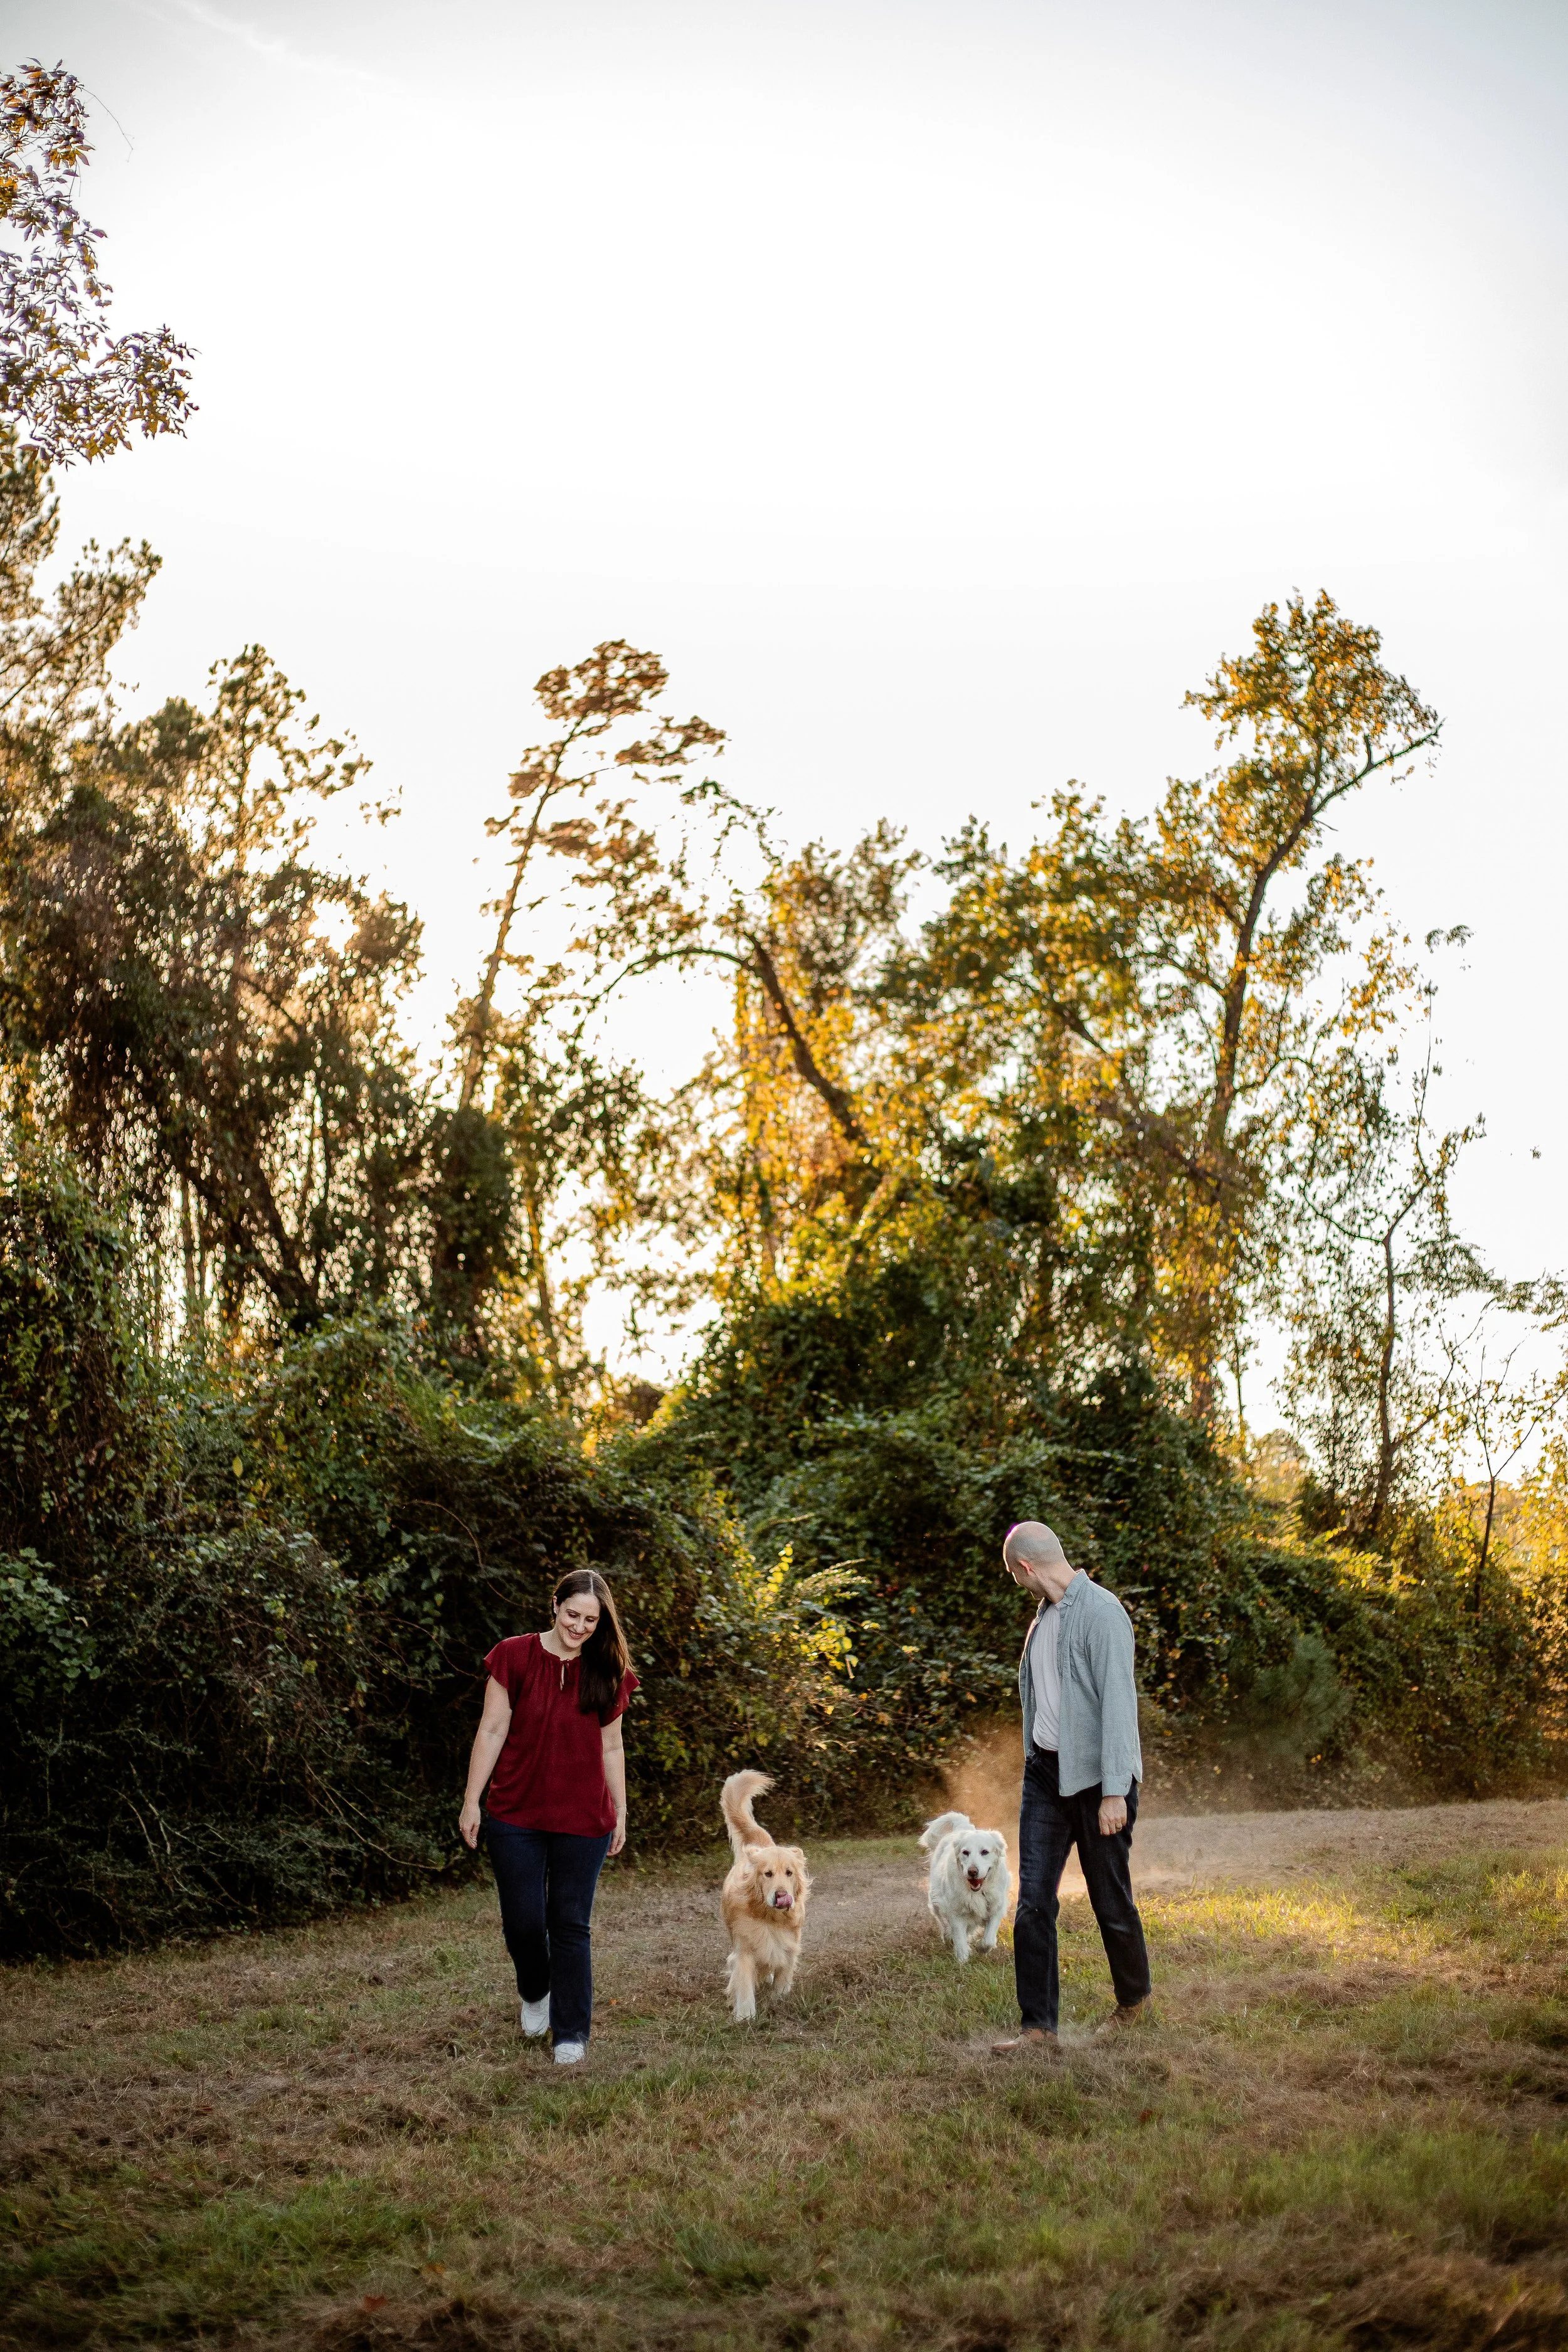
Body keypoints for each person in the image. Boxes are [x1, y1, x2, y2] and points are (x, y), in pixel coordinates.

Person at [458, 1568, 637, 2065]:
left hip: (584, 1818)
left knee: (570, 1925)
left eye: (591, 1620)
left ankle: (571, 2032)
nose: (580, 1627)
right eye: (573, 1614)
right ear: (554, 1606)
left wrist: (620, 1810)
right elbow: (492, 1731)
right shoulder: (513, 1656)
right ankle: (536, 1993)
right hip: (516, 1814)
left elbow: (612, 1746)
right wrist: (472, 1800)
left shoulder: (608, 1670)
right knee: (523, 1924)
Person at [991, 1521, 1152, 2055]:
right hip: (1045, 1777)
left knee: (1110, 1899)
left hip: (1095, 1781)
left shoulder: (1102, 1614)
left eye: (1014, 1575)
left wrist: (1113, 1791)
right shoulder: (1042, 1620)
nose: (1017, 1584)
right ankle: (1038, 2030)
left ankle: (1134, 2003)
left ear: (1026, 1568)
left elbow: (1119, 1707)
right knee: (1033, 1903)